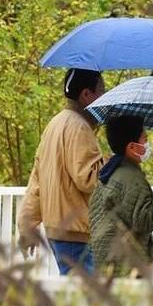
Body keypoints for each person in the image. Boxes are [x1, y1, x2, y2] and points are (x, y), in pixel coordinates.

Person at [18, 68, 105, 274]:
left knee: (77, 297)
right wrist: (112, 162)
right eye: (101, 91)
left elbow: (36, 182)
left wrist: (26, 225)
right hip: (77, 232)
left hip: (59, 232)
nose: (104, 98)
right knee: (89, 300)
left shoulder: (55, 124)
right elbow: (89, 179)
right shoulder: (79, 128)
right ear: (86, 95)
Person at [88, 114, 153, 275]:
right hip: (123, 265)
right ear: (132, 147)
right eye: (144, 139)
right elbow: (145, 220)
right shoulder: (131, 179)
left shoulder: (110, 172)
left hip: (105, 259)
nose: (147, 144)